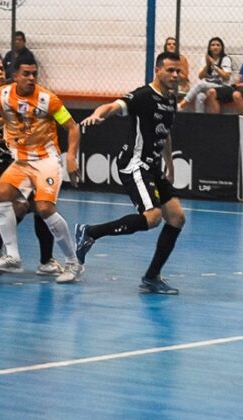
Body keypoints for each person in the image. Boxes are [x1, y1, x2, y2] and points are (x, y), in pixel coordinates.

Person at [75, 52, 187, 295]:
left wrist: (170, 163)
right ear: (157, 70)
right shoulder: (143, 96)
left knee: (177, 218)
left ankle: (151, 277)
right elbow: (113, 106)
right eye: (170, 70)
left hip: (154, 166)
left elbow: (165, 132)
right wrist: (97, 114)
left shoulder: (170, 99)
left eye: (178, 71)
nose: (175, 75)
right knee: (153, 217)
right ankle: (90, 232)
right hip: (134, 164)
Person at [0, 52, 84, 283]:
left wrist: (71, 157)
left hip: (46, 161)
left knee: (43, 209)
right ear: (15, 76)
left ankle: (73, 262)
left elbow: (73, 128)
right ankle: (12, 257)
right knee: (2, 195)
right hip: (21, 161)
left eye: (34, 74)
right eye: (26, 74)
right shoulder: (3, 95)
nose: (31, 78)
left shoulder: (48, 99)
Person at [178, 37, 233, 114]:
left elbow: (226, 76)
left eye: (218, 45)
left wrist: (214, 65)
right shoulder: (206, 59)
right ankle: (200, 120)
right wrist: (207, 65)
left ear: (222, 47)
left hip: (222, 86)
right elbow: (200, 76)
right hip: (208, 86)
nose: (215, 47)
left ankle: (181, 105)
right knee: (199, 96)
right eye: (213, 45)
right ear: (209, 48)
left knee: (200, 85)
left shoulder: (225, 59)